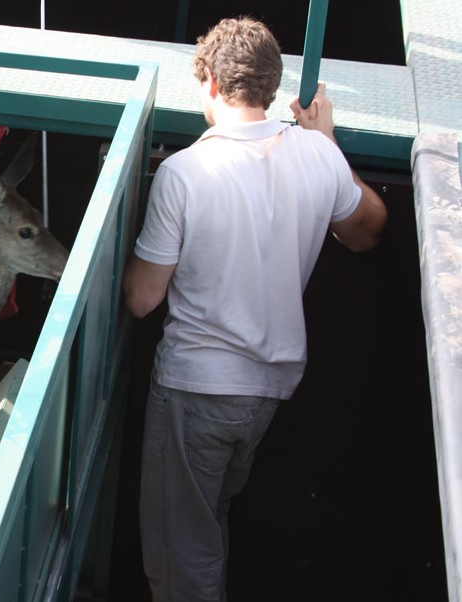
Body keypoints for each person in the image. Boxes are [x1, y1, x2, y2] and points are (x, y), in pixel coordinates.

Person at [122, 16, 388, 601]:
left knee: (179, 556)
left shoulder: (184, 172)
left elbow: (143, 300)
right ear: (269, 87)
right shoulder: (317, 156)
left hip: (198, 389)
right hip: (268, 393)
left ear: (211, 83)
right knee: (206, 525)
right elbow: (369, 229)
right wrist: (329, 144)